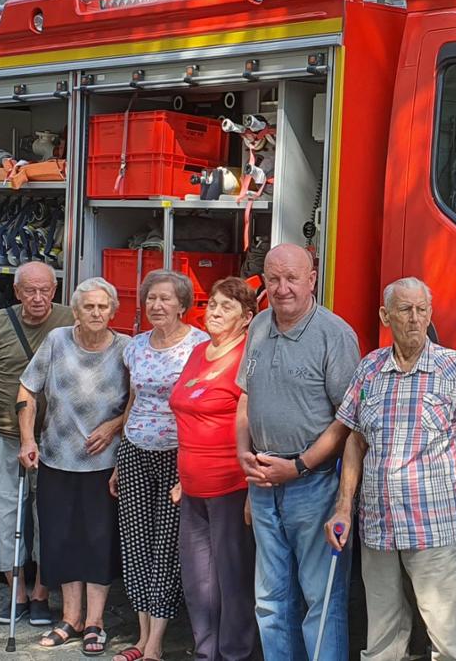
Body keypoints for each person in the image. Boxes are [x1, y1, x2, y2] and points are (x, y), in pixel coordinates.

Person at [328, 277, 456, 661]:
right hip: (378, 525)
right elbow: (354, 440)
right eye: (405, 310)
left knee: (448, 639)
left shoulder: (455, 368)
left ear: (430, 313)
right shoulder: (369, 368)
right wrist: (343, 507)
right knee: (383, 635)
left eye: (421, 310)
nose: (415, 318)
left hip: (433, 523)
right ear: (386, 316)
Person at [236, 244, 361, 661]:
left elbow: (348, 420)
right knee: (270, 603)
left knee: (320, 600)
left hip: (314, 484)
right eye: (273, 279)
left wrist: (299, 466)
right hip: (262, 483)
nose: (282, 288)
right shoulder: (257, 326)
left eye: (292, 278)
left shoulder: (335, 334)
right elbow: (245, 398)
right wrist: (243, 455)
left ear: (312, 280)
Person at [17, 277, 131, 656]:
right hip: (56, 457)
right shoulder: (57, 341)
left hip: (104, 464)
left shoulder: (126, 350)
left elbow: (140, 398)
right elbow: (27, 389)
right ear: (76, 310)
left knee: (97, 542)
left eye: (103, 307)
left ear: (113, 311)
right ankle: (71, 618)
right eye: (88, 307)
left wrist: (114, 425)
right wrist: (29, 439)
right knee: (61, 539)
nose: (96, 313)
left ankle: (96, 621)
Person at [115, 270, 210, 661]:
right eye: (151, 298)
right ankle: (140, 638)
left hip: (179, 455)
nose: (156, 305)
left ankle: (156, 642)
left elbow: (202, 408)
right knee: (135, 543)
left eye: (166, 299)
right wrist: (119, 460)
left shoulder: (199, 345)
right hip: (135, 450)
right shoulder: (134, 347)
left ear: (183, 305)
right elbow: (132, 401)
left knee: (167, 547)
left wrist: (191, 469)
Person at [0, 261, 72, 628]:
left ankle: (42, 593)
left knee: (46, 515)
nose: (37, 297)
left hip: (55, 439)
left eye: (45, 290)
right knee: (2, 513)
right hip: (3, 432)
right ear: (17, 292)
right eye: (29, 290)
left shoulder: (69, 318)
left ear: (54, 290)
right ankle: (16, 592)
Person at [171, 277, 260, 661]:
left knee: (232, 581)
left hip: (231, 487)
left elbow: (257, 424)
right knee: (198, 582)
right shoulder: (197, 352)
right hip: (192, 487)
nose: (216, 312)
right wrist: (181, 477)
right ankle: (206, 653)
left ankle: (235, 654)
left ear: (247, 318)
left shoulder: (248, 358)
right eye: (213, 304)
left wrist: (254, 491)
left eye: (227, 307)